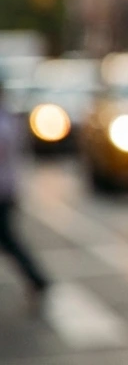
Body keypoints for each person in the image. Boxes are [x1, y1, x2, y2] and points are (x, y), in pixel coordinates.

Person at [0, 82, 51, 313]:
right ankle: (37, 279)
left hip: (3, 191)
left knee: (10, 241)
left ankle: (38, 279)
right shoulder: (9, 117)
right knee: (9, 241)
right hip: (8, 189)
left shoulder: (5, 122)